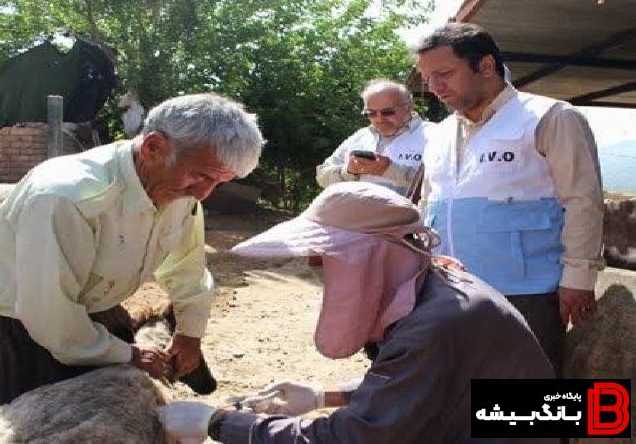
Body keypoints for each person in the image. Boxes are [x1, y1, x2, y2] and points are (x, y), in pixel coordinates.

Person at [157, 182, 555, 444]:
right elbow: (420, 387)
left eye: (325, 260)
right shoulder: (434, 288)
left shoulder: (435, 326)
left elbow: (354, 438)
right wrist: (321, 395)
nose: (317, 266)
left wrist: (217, 423)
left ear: (368, 258)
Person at [0, 93, 265, 417]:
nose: (203, 193)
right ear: (153, 147)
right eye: (200, 176)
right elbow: (50, 315)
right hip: (21, 333)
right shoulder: (65, 197)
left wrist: (189, 334)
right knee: (36, 432)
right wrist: (130, 355)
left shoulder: (180, 194)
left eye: (219, 183)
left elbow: (186, 268)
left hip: (97, 317)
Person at [415, 23, 604, 375]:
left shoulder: (550, 117)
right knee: (460, 389)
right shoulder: (437, 135)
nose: (435, 87)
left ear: (485, 66)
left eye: (444, 74)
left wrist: (579, 278)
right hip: (449, 289)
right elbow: (429, 206)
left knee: (526, 404)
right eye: (428, 78)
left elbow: (583, 200)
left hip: (526, 293)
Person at [315, 79, 433, 195]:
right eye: (371, 113)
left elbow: (442, 183)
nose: (379, 119)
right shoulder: (360, 136)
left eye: (387, 112)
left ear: (408, 106)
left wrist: (390, 170)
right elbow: (322, 176)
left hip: (409, 213)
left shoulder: (434, 135)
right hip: (355, 212)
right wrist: (349, 171)